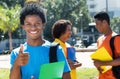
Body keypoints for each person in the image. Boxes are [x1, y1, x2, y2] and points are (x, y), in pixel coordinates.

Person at [10, 2, 71, 79]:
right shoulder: (16, 54)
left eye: (37, 23)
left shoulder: (55, 50)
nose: (33, 27)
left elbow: (67, 77)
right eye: (28, 24)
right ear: (23, 26)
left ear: (43, 24)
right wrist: (16, 64)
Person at [93, 11, 120, 79]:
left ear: (104, 22)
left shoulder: (116, 38)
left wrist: (102, 63)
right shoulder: (99, 39)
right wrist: (98, 65)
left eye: (97, 23)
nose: (96, 26)